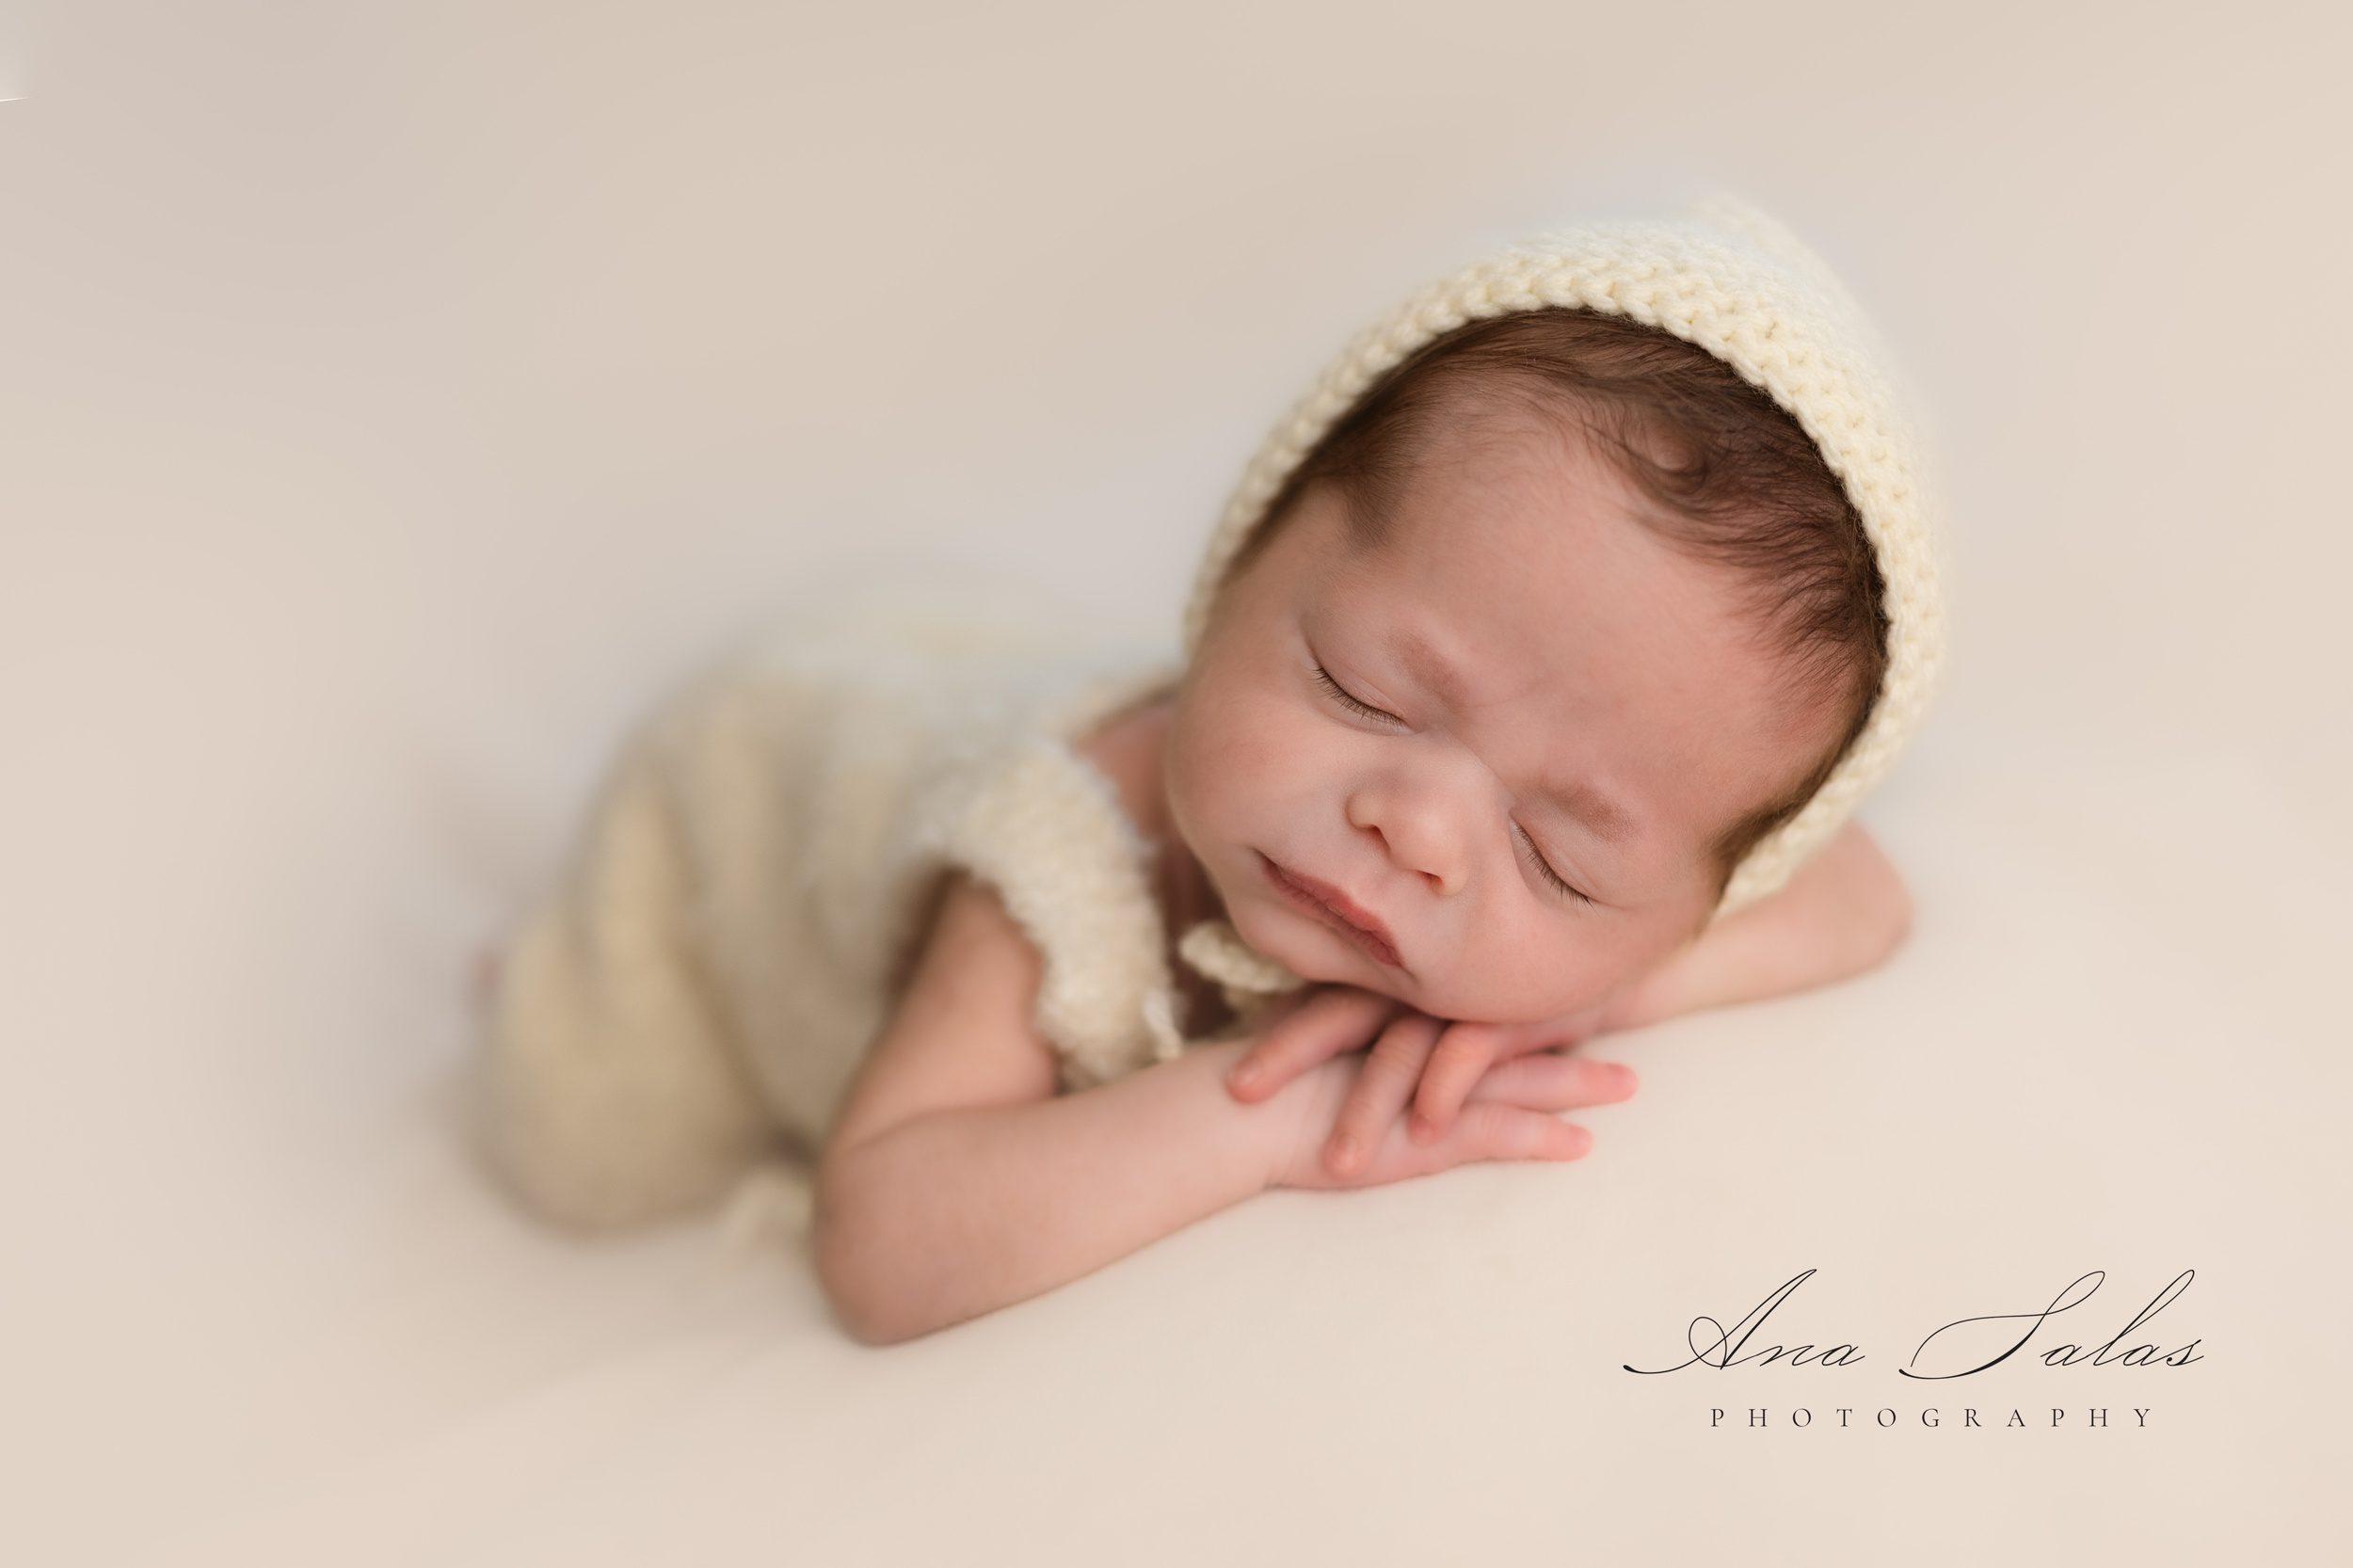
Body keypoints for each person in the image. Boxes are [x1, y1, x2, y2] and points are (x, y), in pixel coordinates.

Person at [465, 194, 1949, 1346]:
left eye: (1565, 853)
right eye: (1362, 686)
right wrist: (1278, 1108)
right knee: (576, 1136)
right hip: (744, 791)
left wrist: (1603, 985)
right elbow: (884, 1232)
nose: (1419, 825)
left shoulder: (1623, 902)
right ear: (1239, 558)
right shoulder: (1052, 853)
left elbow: (1862, 892)